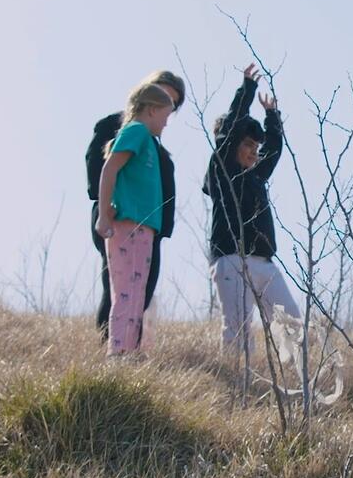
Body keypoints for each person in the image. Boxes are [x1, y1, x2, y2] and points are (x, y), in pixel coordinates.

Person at [203, 64, 300, 354]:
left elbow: (273, 149)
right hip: (231, 258)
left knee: (291, 324)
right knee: (239, 331)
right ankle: (235, 389)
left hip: (263, 261)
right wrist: (246, 90)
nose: (252, 151)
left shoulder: (256, 175)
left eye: (255, 146)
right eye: (247, 144)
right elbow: (231, 131)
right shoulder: (223, 170)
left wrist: (272, 117)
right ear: (230, 144)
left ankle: (297, 382)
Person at [86, 71, 185, 343]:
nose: (167, 122)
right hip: (124, 220)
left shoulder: (153, 145)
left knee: (138, 292)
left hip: (147, 227)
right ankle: (115, 351)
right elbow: (107, 168)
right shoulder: (132, 130)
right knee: (123, 292)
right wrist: (105, 211)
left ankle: (128, 351)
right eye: (165, 109)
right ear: (151, 106)